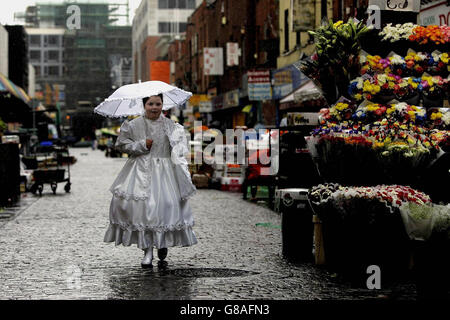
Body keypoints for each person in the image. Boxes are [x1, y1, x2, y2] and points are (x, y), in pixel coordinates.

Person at [103, 94, 198, 268]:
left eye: (158, 104)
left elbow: (180, 151)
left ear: (163, 105)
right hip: (139, 172)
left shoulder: (171, 126)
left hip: (166, 174)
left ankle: (162, 243)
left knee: (165, 207)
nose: (154, 107)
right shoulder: (133, 125)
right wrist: (141, 145)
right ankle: (147, 251)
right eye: (150, 104)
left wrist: (177, 146)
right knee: (143, 210)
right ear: (144, 104)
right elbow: (121, 145)